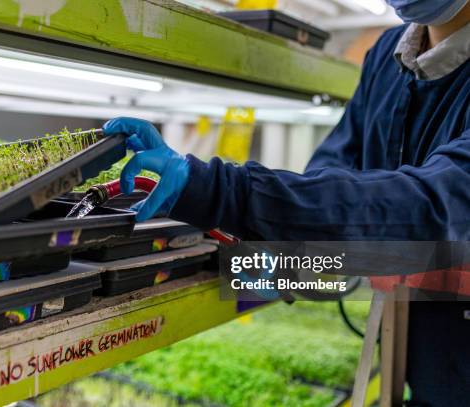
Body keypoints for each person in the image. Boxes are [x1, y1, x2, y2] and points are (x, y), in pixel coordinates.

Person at [103, 0, 469, 405]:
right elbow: (336, 167)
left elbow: (431, 207)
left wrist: (219, 190)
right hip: (418, 359)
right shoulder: (387, 55)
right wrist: (292, 248)